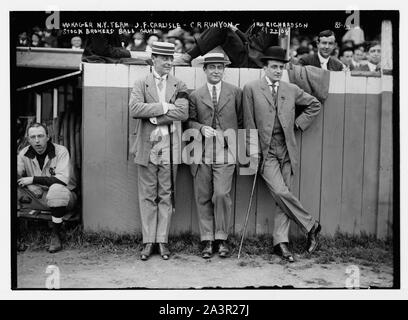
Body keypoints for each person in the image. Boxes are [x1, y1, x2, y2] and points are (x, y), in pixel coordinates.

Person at [242, 46, 322, 262]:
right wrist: (252, 154)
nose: (278, 71)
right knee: (280, 191)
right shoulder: (251, 88)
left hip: (287, 148)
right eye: (274, 67)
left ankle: (281, 243)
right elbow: (248, 123)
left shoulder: (291, 89)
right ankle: (311, 225)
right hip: (265, 150)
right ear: (265, 68)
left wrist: (298, 123)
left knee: (282, 196)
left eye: (281, 67)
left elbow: (314, 104)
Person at [129, 42, 189, 261]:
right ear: (153, 58)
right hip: (147, 146)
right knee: (147, 195)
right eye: (164, 58)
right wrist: (164, 108)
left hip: (170, 147)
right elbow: (135, 109)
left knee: (166, 194)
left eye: (171, 58)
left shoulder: (179, 84)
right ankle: (148, 242)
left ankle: (162, 241)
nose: (169, 63)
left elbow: (183, 112)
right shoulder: (141, 83)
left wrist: (154, 117)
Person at [187, 53, 243, 259]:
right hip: (202, 151)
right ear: (204, 70)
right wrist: (200, 128)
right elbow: (189, 121)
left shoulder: (235, 92)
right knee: (202, 196)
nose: (216, 71)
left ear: (224, 70)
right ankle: (207, 240)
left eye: (220, 67)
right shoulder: (195, 95)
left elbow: (242, 120)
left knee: (220, 194)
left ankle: (221, 238)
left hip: (226, 151)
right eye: (212, 67)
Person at [17, 123, 77, 253]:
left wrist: (33, 179)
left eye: (40, 136)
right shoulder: (24, 153)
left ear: (48, 137)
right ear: (28, 139)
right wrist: (30, 185)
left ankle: (55, 235)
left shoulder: (61, 151)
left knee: (56, 190)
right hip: (39, 197)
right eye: (33, 137)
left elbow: (61, 180)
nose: (37, 140)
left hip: (65, 197)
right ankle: (17, 237)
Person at [174, 26, 278, 68]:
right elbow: (248, 41)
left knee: (222, 27)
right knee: (222, 26)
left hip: (253, 62)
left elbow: (257, 45)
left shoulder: (272, 25)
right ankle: (187, 56)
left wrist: (236, 31)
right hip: (247, 56)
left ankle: (187, 57)